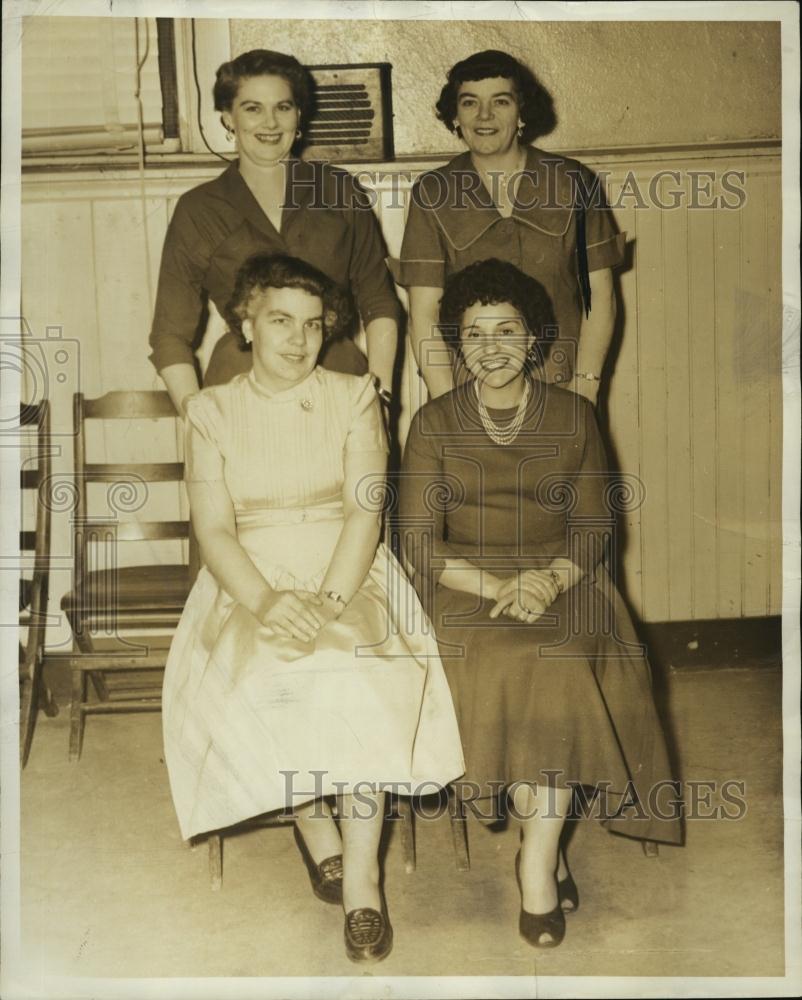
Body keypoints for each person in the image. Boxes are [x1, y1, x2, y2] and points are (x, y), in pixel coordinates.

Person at [162, 254, 463, 964]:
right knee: (269, 673)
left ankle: (362, 881)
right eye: (279, 322)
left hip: (347, 565)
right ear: (246, 323)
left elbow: (367, 510)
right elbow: (213, 530)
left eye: (313, 325)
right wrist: (266, 601)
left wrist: (330, 598)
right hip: (249, 575)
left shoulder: (355, 395)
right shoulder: (209, 410)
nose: (298, 340)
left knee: (354, 673)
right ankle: (312, 823)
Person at [398, 259, 681, 950]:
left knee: (559, 657)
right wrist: (496, 586)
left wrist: (551, 580)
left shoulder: (574, 415)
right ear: (455, 345)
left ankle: (536, 855)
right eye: (473, 333)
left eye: (506, 330)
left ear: (535, 339)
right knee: (502, 657)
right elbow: (414, 541)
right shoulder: (433, 422)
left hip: (565, 577)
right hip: (466, 584)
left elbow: (595, 527)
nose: (490, 347)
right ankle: (544, 852)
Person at [149, 49, 398, 415]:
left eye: (283, 107)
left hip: (339, 384)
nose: (270, 123)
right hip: (239, 388)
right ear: (227, 118)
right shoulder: (198, 209)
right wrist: (200, 419)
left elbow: (380, 302)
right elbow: (170, 336)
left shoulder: (339, 191)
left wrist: (381, 398)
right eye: (252, 108)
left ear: (299, 116)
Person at [391, 49, 624, 403]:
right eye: (469, 103)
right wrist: (446, 402)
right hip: (469, 390)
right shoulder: (432, 192)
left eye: (500, 101)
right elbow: (424, 313)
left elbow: (600, 296)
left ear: (522, 112)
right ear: (455, 116)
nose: (484, 115)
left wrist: (586, 387)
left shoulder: (572, 181)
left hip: (561, 385)